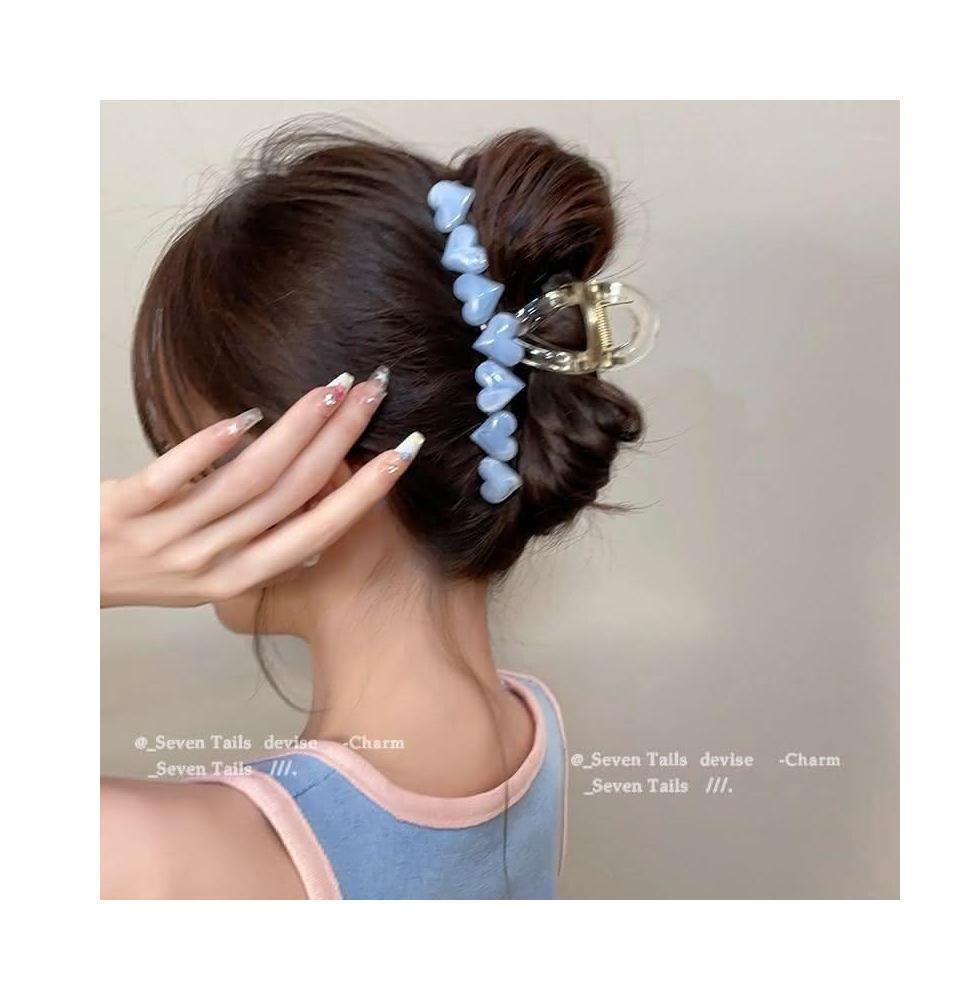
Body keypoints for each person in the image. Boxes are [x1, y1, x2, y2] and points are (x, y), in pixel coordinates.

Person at [100, 124, 647, 898]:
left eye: (190, 460)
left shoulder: (151, 859)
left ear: (314, 481)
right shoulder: (531, 730)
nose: (169, 497)